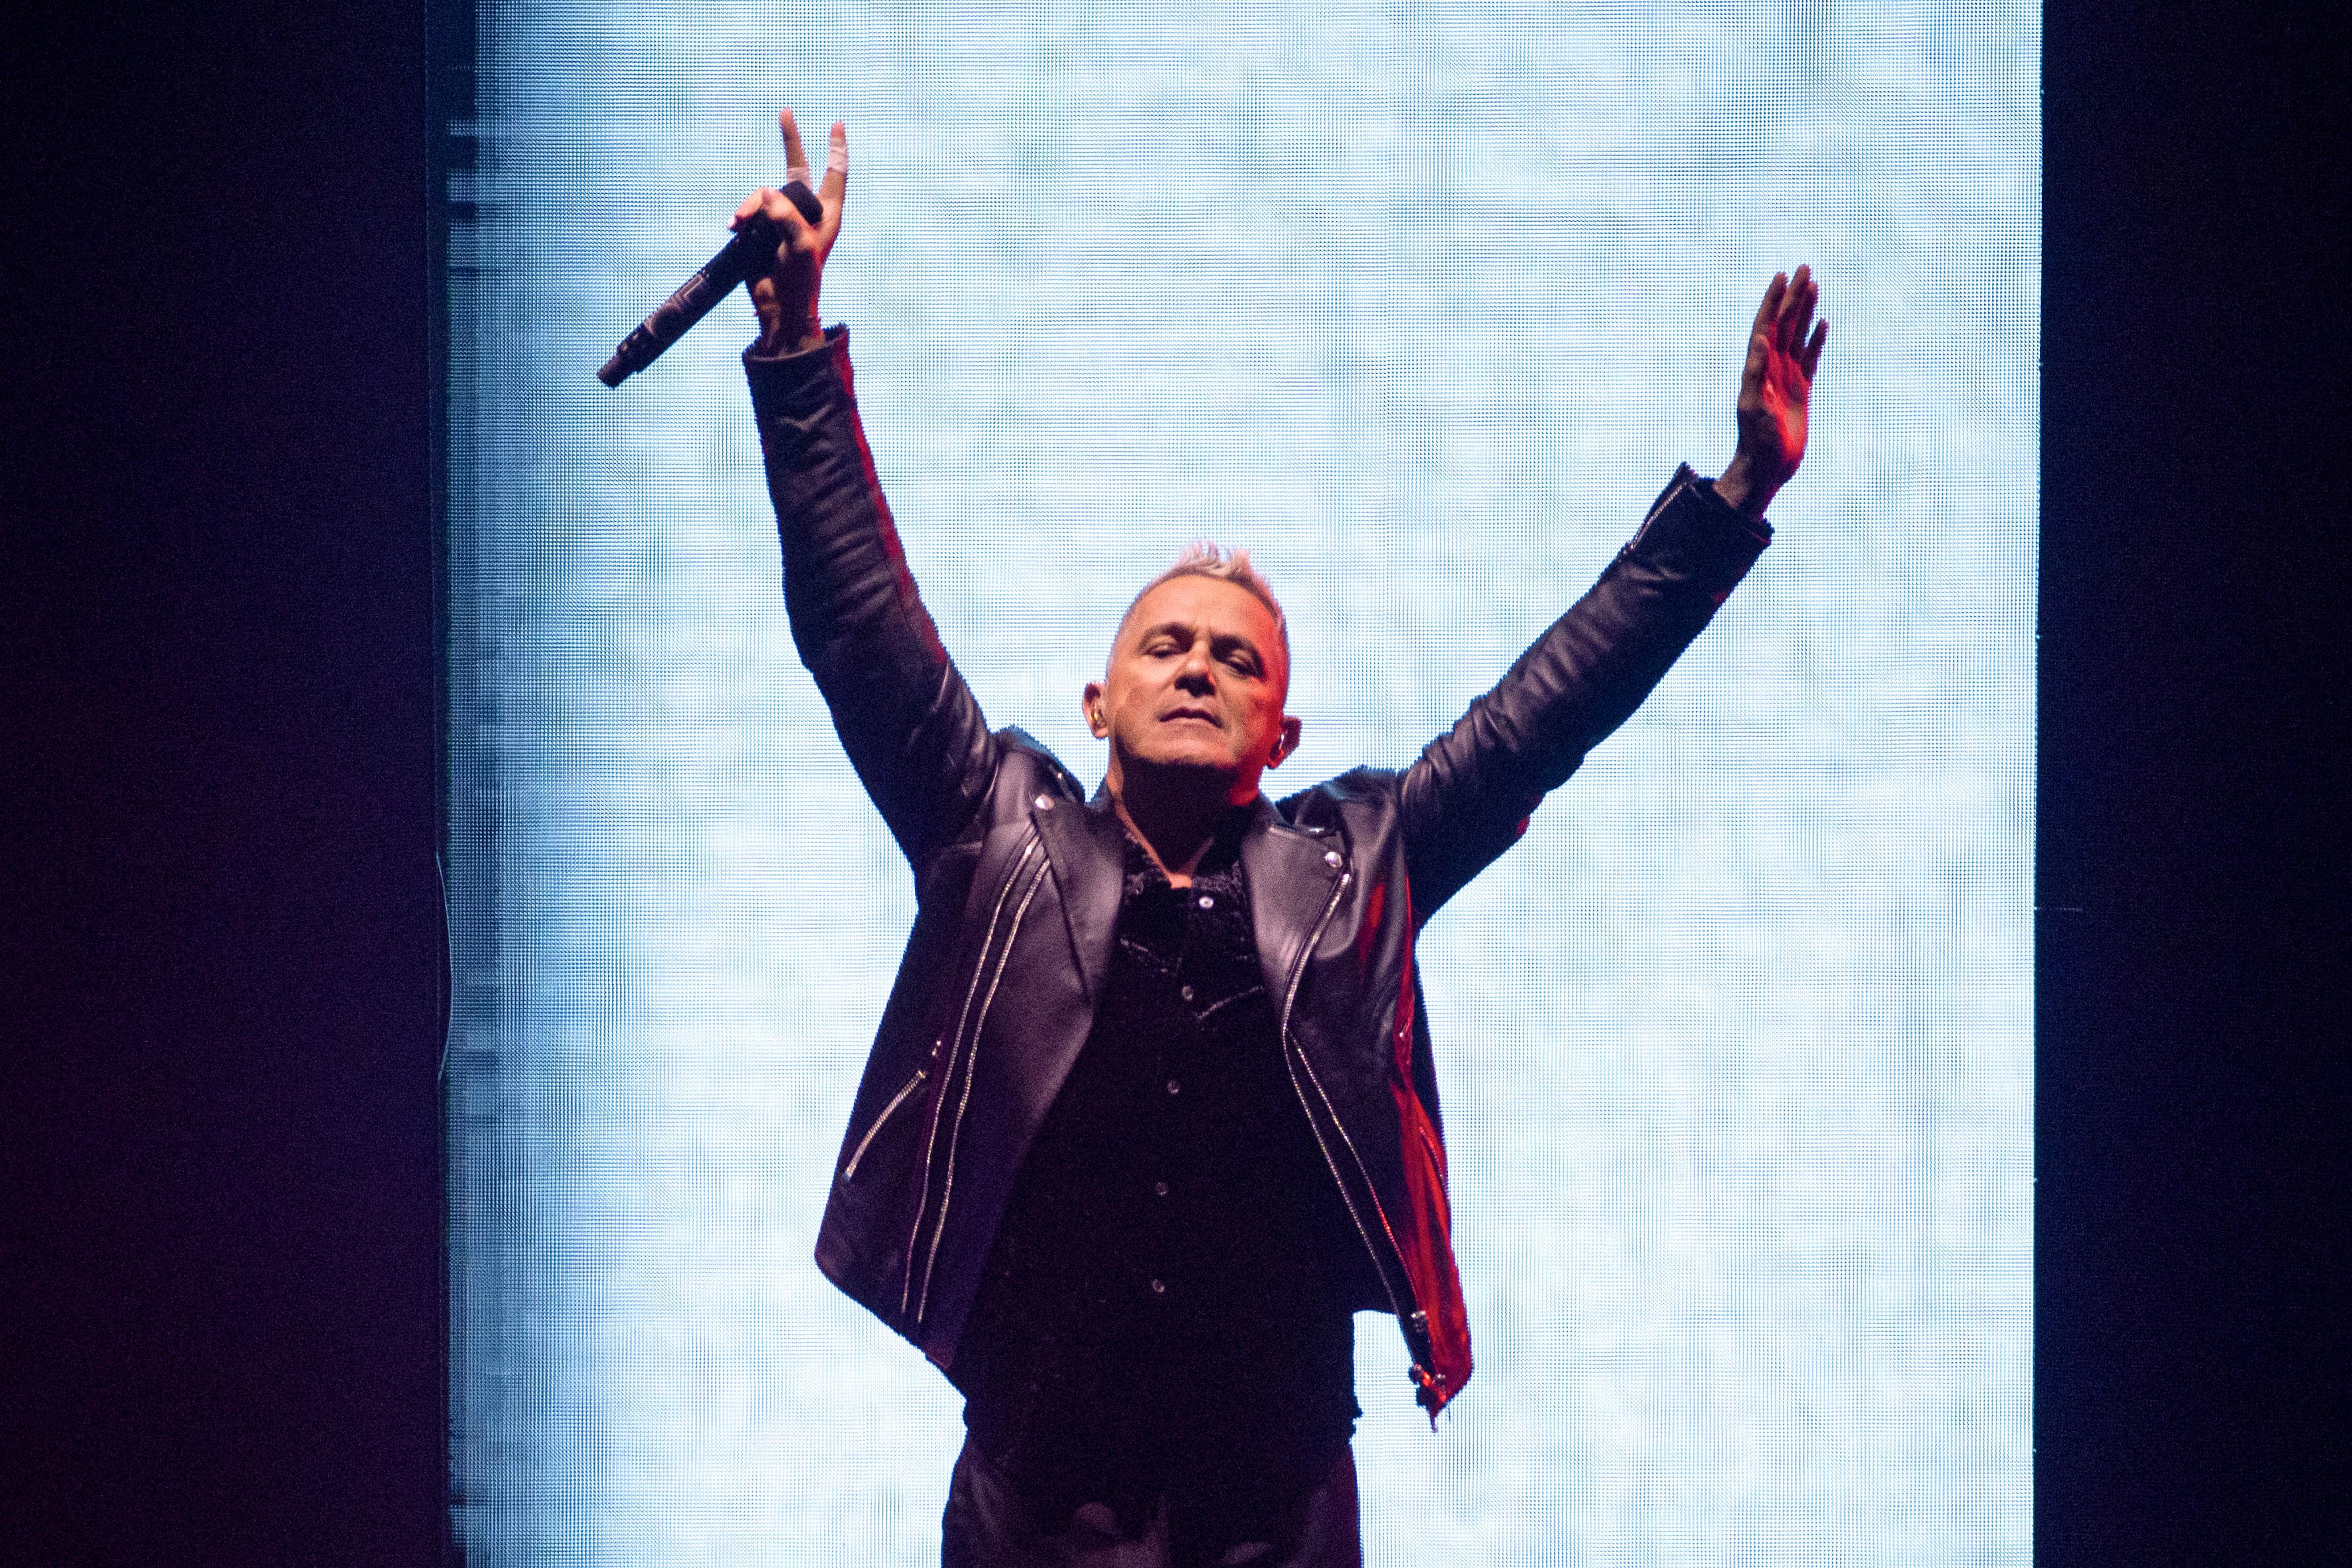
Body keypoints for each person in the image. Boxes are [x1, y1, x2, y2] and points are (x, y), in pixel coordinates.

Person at [731, 109, 1825, 1567]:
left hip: (1280, 1500)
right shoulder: (994, 825)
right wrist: (799, 346)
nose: (1198, 666)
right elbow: (861, 625)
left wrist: (1737, 492)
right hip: (1041, 1489)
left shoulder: (1357, 858)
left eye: (1238, 659)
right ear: (1098, 702)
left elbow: (1548, 712)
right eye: (1166, 646)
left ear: (1282, 733)